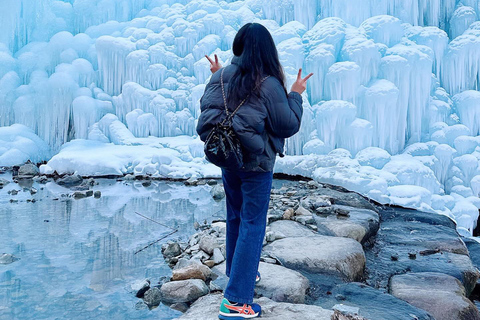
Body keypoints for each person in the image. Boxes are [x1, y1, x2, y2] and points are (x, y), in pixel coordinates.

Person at [196, 22, 313, 319]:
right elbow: (287, 124)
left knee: (235, 217)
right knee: (252, 223)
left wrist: (218, 75)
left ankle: (239, 275)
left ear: (238, 47)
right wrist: (296, 94)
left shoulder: (220, 76)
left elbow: (209, 109)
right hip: (256, 162)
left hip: (227, 157)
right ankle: (235, 301)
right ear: (267, 50)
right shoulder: (269, 82)